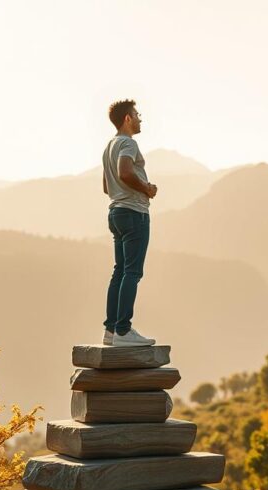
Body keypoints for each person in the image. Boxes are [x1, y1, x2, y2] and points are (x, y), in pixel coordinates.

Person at [101, 99, 158, 347]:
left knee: (120, 271)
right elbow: (125, 172)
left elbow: (106, 186)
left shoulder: (109, 147)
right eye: (136, 114)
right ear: (127, 118)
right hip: (134, 213)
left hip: (116, 212)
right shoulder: (127, 143)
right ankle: (124, 331)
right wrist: (146, 188)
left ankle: (111, 331)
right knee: (132, 272)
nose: (140, 118)